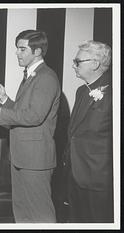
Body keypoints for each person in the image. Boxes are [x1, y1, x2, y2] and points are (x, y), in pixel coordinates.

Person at [0, 30, 61, 223]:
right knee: (23, 213)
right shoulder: (31, 76)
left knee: (41, 215)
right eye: (17, 48)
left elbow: (34, 116)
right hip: (24, 158)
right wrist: (5, 100)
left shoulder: (46, 77)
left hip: (35, 160)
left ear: (38, 51)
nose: (17, 53)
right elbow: (23, 112)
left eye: (22, 49)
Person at [65, 40, 113, 222]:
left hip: (100, 180)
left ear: (95, 64)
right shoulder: (81, 92)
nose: (73, 65)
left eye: (78, 61)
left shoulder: (115, 92)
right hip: (76, 175)